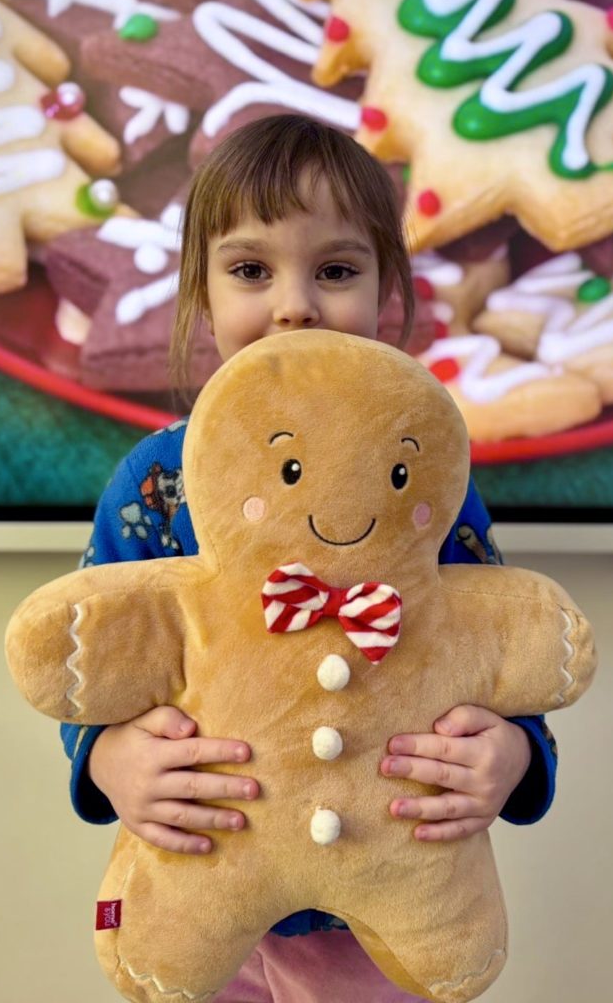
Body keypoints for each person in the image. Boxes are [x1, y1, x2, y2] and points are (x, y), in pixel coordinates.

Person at [62, 114, 557, 1002]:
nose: (294, 304)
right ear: (201, 294)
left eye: (334, 270)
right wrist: (107, 760)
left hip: (381, 912)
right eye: (251, 270)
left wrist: (513, 755)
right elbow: (87, 660)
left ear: (385, 290)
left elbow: (502, 650)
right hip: (197, 888)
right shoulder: (156, 482)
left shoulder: (422, 483)